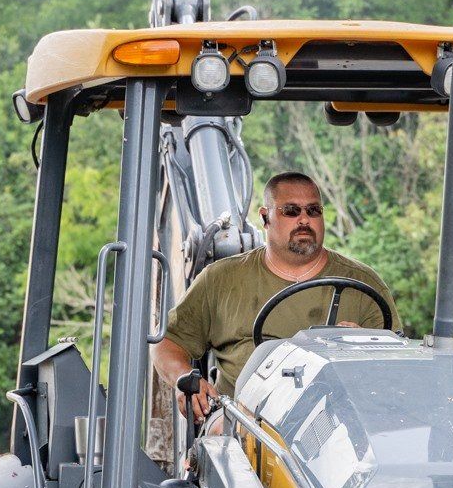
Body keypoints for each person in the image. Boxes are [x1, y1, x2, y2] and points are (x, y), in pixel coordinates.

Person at [153, 170, 402, 422]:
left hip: (335, 425)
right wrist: (184, 377)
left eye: (313, 211)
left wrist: (363, 350)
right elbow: (169, 342)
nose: (304, 220)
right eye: (291, 211)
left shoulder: (363, 284)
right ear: (265, 217)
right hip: (243, 424)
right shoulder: (220, 279)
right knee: (221, 434)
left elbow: (395, 369)